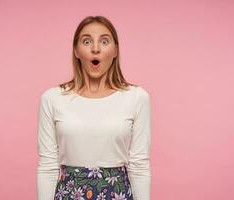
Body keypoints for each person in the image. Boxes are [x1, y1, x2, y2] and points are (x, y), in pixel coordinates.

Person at [36, 15, 152, 200]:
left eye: (104, 41)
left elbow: (139, 166)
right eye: (87, 41)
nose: (95, 48)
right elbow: (48, 166)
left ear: (115, 50)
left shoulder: (137, 97)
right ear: (76, 50)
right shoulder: (52, 98)